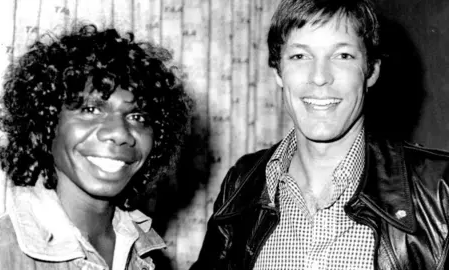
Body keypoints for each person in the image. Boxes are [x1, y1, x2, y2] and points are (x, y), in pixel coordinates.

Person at [191, 0, 449, 269]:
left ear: (371, 70)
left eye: (343, 56)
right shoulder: (242, 183)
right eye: (300, 56)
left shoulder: (441, 192)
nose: (319, 77)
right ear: (279, 71)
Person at [0, 24, 191, 270]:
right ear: (46, 123)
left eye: (138, 117)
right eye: (90, 109)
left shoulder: (147, 252)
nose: (119, 134)